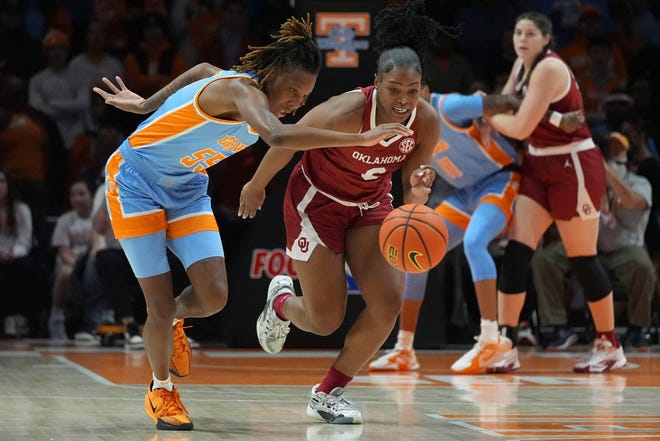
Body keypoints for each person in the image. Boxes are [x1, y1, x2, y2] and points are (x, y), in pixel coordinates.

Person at [93, 15, 412, 431]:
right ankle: (162, 389)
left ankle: (171, 323)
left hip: (186, 188)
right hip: (134, 183)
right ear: (273, 74)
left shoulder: (231, 81)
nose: (297, 100)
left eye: (306, 94)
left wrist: (148, 104)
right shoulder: (242, 91)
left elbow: (202, 70)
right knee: (157, 301)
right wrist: (359, 140)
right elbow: (279, 137)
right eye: (294, 90)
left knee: (214, 296)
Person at [240, 0, 441, 424]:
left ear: (422, 87)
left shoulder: (427, 121)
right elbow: (285, 139)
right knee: (324, 319)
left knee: (387, 304)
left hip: (370, 203)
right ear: (376, 83)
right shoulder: (348, 112)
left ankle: (328, 393)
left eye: (412, 90)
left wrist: (419, 194)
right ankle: (280, 305)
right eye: (393, 90)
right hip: (316, 204)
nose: (403, 100)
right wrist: (256, 185)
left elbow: (410, 191)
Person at [368, 84, 583, 373]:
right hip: (464, 194)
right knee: (414, 253)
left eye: (413, 92)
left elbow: (509, 102)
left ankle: (491, 340)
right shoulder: (409, 133)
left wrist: (557, 120)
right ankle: (404, 349)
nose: (406, 101)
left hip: (500, 181)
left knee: (474, 242)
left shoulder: (450, 106)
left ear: (427, 90)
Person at [486, 11, 627, 373]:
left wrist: (488, 115)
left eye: (530, 34)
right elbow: (507, 106)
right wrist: (503, 112)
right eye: (518, 32)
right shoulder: (521, 65)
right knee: (517, 254)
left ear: (547, 39)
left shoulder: (549, 68)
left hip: (573, 166)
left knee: (582, 258)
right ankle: (506, 343)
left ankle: (609, 344)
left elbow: (515, 125)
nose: (522, 39)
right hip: (538, 164)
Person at [532, 132, 655, 350]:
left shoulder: (639, 182)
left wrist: (604, 172)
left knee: (642, 266)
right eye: (609, 149)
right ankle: (557, 327)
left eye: (619, 149)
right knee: (545, 259)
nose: (612, 152)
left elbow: (629, 200)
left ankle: (639, 328)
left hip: (623, 249)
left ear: (629, 161)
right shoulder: (586, 179)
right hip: (588, 247)